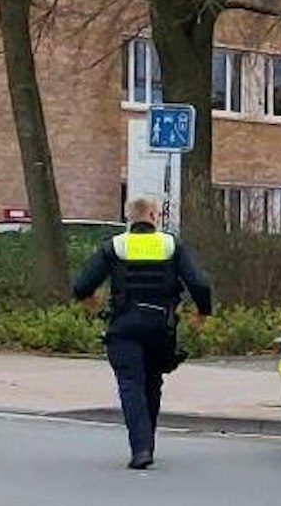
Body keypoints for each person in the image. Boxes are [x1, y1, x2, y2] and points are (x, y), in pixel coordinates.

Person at [72, 198, 213, 469]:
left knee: (131, 384)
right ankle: (147, 444)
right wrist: (202, 312)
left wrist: (90, 301)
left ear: (129, 217)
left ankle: (141, 448)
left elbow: (81, 284)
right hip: (161, 327)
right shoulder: (171, 245)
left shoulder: (115, 246)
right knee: (152, 382)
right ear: (153, 215)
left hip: (125, 326)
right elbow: (199, 283)